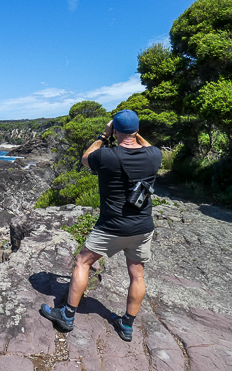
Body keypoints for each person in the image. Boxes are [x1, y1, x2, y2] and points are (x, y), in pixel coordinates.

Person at [41, 109, 162, 342]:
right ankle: (127, 325)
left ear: (115, 130)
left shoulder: (107, 156)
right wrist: (135, 133)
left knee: (82, 262)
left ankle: (67, 315)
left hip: (111, 227)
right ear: (137, 131)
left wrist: (103, 135)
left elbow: (86, 158)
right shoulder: (154, 155)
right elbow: (148, 146)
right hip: (142, 228)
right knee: (137, 275)